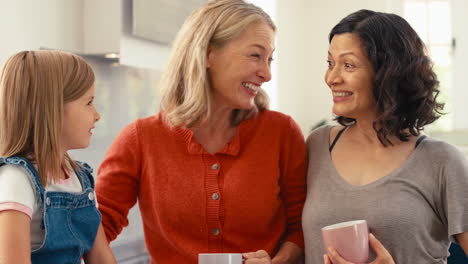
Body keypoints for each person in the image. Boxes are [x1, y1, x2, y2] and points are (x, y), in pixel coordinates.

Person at [95, 0, 307, 263]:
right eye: (255, 55)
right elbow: (95, 228)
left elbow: (300, 228)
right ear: (207, 55)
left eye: (270, 59)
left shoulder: (281, 132)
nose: (266, 73)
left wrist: (277, 262)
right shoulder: (141, 138)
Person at [302, 9, 468, 264]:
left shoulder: (442, 161)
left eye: (348, 65)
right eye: (330, 63)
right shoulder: (316, 146)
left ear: (388, 73)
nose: (331, 78)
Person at [0, 50, 116, 264]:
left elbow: (101, 259)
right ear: (52, 108)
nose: (97, 115)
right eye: (89, 103)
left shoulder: (79, 177)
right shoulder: (16, 179)